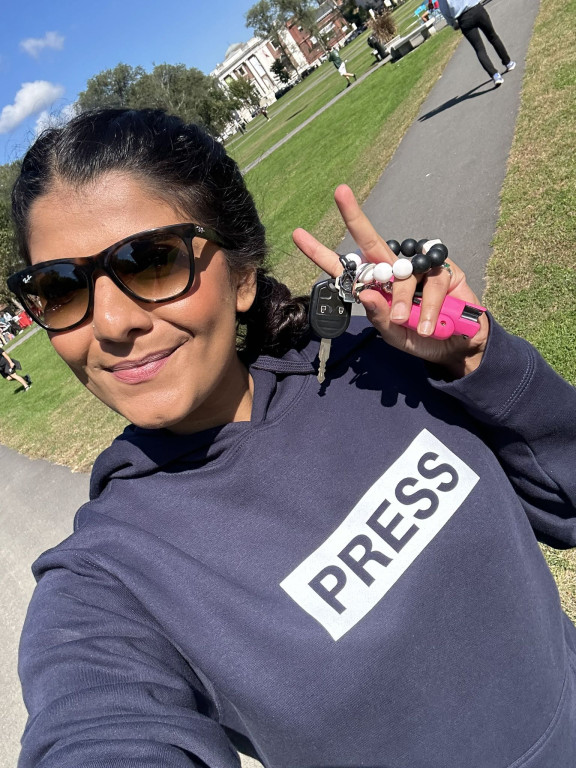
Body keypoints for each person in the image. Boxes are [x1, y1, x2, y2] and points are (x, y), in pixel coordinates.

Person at [7, 108, 576, 768]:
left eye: (151, 261)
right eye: (60, 287)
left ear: (242, 276)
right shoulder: (108, 581)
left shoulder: (379, 359)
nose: (109, 323)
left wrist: (477, 359)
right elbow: (96, 727)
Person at [438, 0, 516, 87]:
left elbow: (444, 9)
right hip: (476, 9)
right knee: (493, 37)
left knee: (479, 49)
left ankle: (495, 75)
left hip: (463, 18)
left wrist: (452, 23)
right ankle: (508, 63)